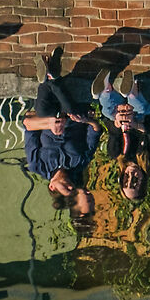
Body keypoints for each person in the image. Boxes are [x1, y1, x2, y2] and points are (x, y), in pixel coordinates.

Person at [21, 53, 100, 218]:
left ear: (52, 187)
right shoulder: (80, 162)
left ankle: (50, 78)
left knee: (43, 111)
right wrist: (86, 120)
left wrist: (49, 124)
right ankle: (49, 79)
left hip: (49, 115)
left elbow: (28, 124)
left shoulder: (38, 165)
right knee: (70, 110)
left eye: (66, 190)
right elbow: (95, 131)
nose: (71, 187)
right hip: (73, 113)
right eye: (73, 190)